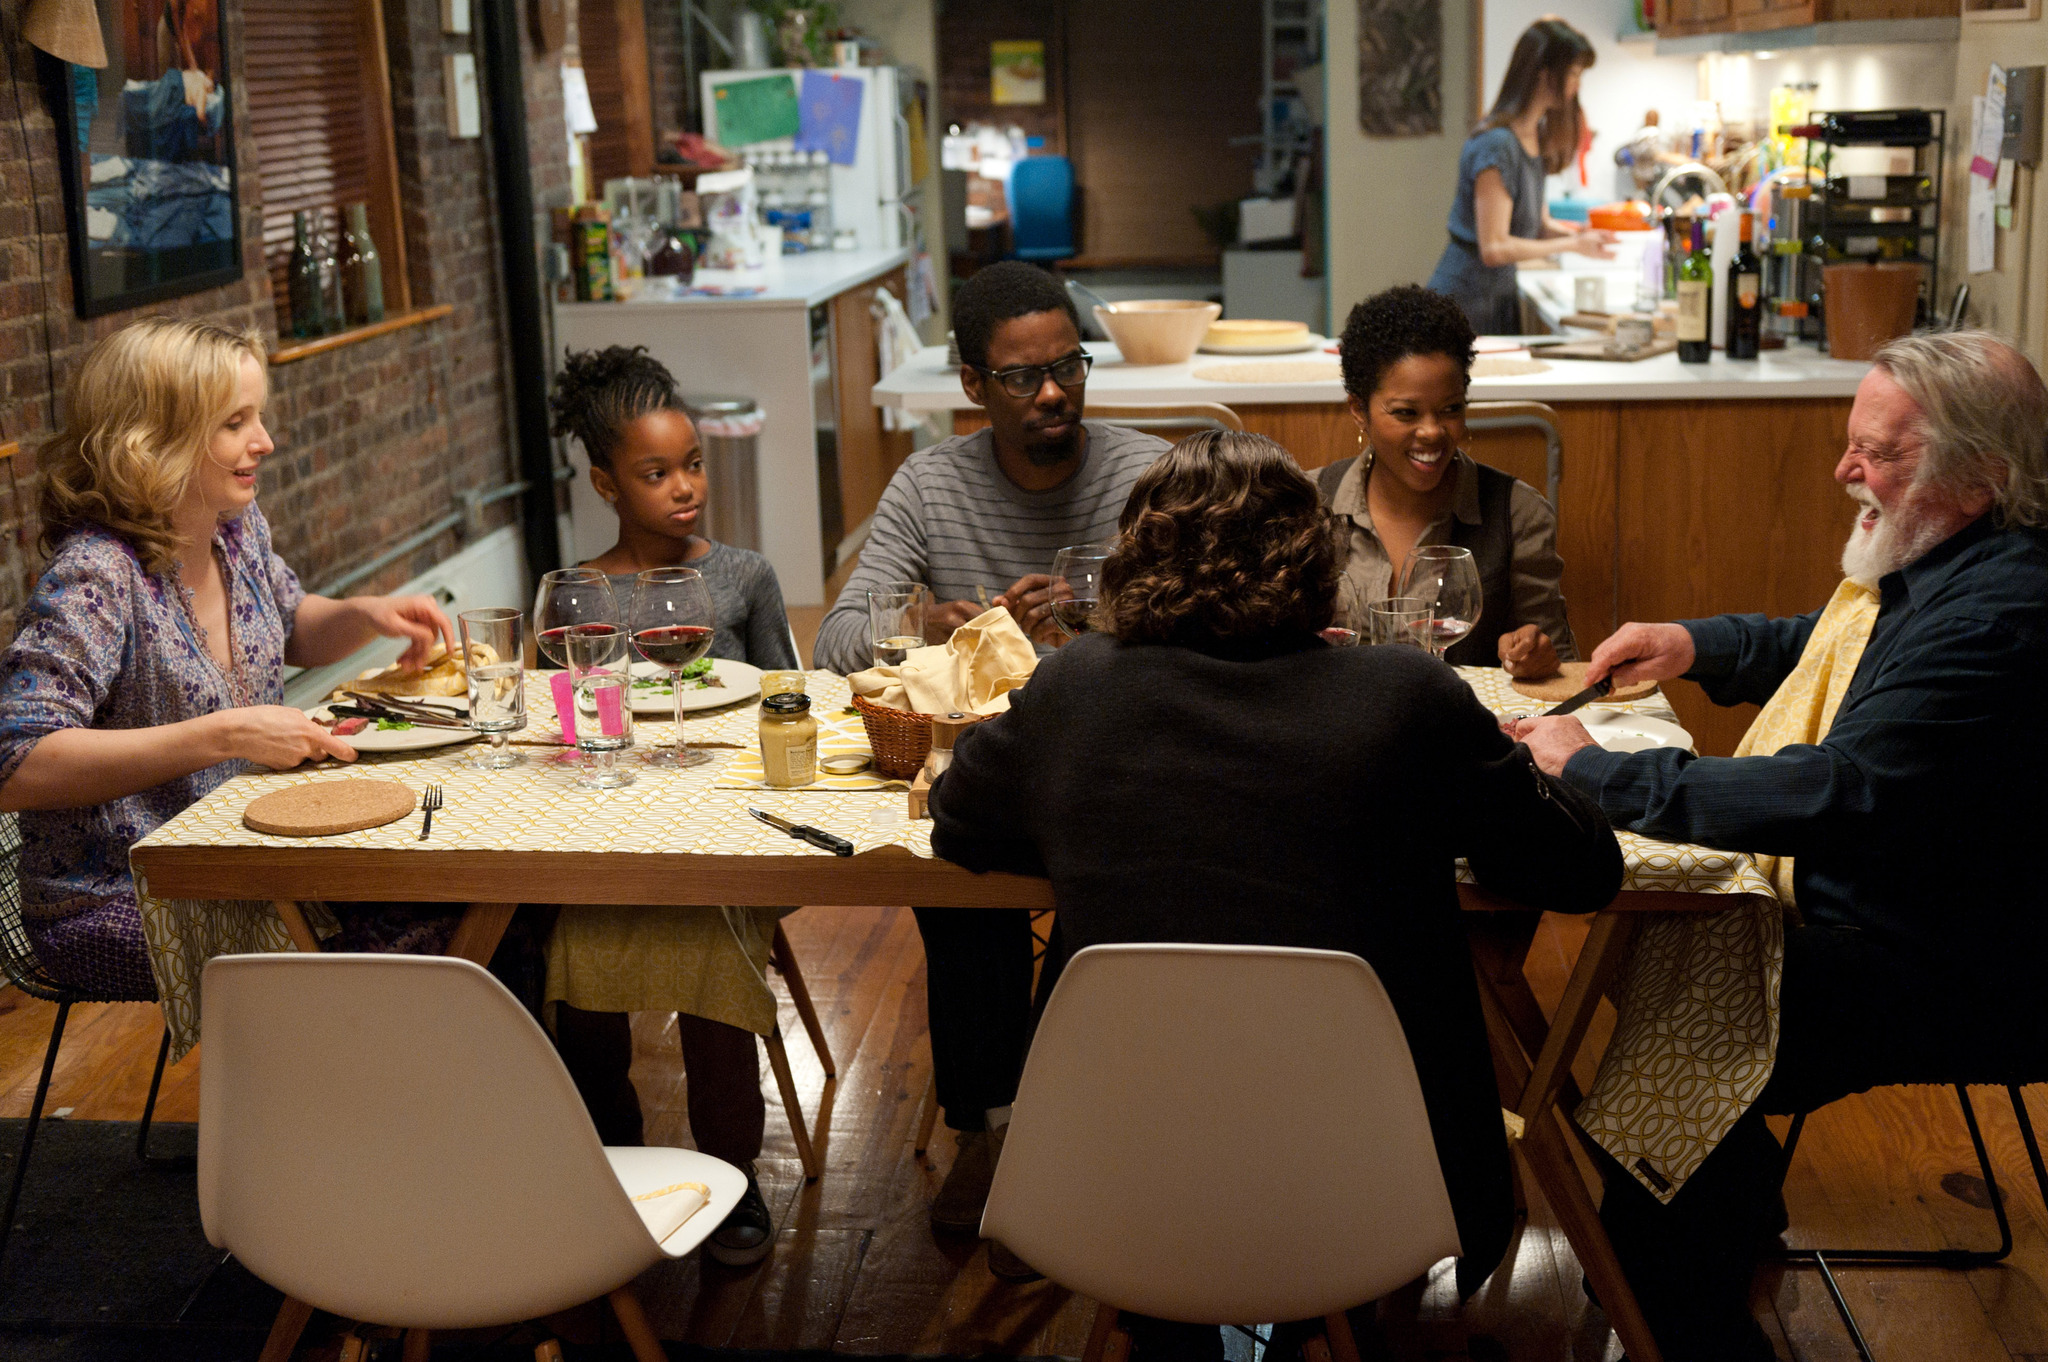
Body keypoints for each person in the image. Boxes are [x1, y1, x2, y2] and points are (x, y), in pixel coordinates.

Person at [928, 431, 1623, 1328]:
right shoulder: (1404, 695)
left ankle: (1171, 1334)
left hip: (1116, 1177)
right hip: (1377, 1179)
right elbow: (1578, 868)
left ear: (1134, 561)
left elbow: (959, 817)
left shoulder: (1074, 691)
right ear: (1316, 563)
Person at [1509, 330, 2048, 1361]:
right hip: (1904, 904)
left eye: (1878, 455)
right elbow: (1835, 643)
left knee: (1692, 996)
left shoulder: (2002, 615)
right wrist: (1699, 645)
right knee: (1677, 954)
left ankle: (1674, 1312)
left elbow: (1834, 791)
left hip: (1962, 960)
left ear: (1982, 477)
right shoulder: (1956, 561)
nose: (1845, 471)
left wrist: (1596, 774)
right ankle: (1700, 1235)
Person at [813, 261, 1169, 1252]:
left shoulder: (1145, 476)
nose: (1053, 390)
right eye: (1022, 376)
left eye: (1068, 364)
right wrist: (931, 623)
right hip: (991, 770)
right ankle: (994, 1128)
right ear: (972, 383)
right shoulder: (931, 483)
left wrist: (1100, 614)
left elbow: (1213, 621)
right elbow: (835, 640)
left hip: (1127, 766)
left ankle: (1116, 1121)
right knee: (952, 862)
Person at [0, 318, 454, 993]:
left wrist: (364, 615)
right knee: (401, 940)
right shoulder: (96, 575)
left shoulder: (234, 532)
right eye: (234, 423)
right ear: (154, 440)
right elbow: (18, 765)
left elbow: (292, 623)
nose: (264, 442)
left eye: (258, 417)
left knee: (450, 897)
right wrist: (225, 735)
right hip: (113, 896)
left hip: (236, 854)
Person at [543, 345, 801, 1266]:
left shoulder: (742, 577)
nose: (685, 487)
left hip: (720, 826)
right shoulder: (578, 592)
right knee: (572, 956)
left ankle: (732, 1179)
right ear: (606, 483)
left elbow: (787, 697)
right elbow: (556, 719)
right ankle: (608, 1164)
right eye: (656, 473)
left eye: (693, 464)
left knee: (711, 950)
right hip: (604, 826)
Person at [1325, 285, 1575, 674]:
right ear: (1359, 409)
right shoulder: (1308, 504)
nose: (1433, 432)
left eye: (1451, 409)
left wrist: (1536, 655)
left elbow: (1558, 664)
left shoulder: (1516, 514)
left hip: (1461, 730)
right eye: (1406, 413)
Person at [1426, 18, 1615, 334]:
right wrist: (1573, 246)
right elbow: (1495, 247)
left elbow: (1538, 227)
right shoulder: (1497, 144)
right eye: (1573, 74)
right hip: (1465, 303)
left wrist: (1581, 237)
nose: (1577, 86)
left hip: (1495, 297)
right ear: (1545, 75)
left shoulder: (1533, 136)